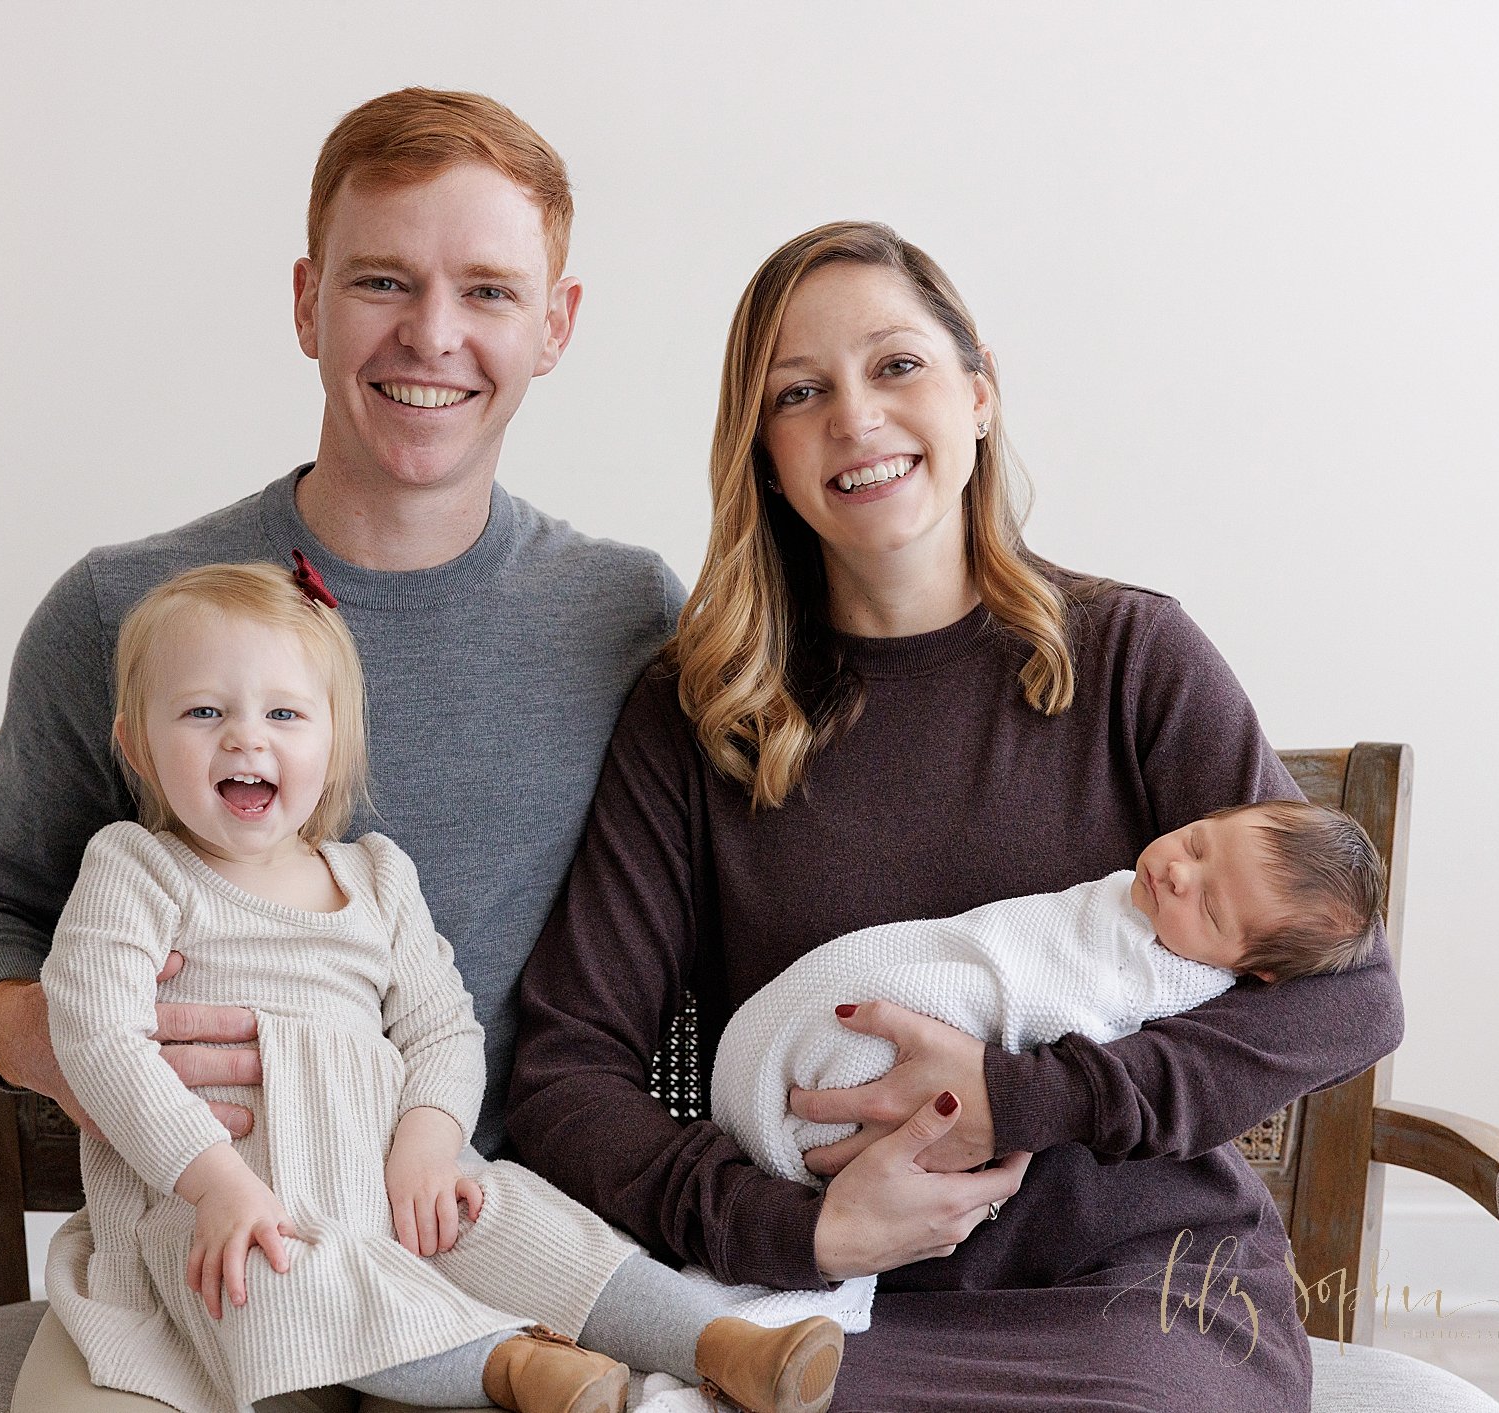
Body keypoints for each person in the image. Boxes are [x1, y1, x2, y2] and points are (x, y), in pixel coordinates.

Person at [508, 222, 1406, 1411]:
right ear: (763, 456)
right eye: (798, 391)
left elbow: (1350, 995)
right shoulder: (695, 720)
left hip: (1139, 1296)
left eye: (896, 366)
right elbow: (565, 1073)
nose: (855, 418)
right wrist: (794, 1228)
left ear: (977, 395)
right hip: (812, 1316)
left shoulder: (1133, 658)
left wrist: (1021, 1097)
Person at [0, 89, 683, 1410]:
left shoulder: (627, 618)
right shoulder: (124, 609)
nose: (431, 335)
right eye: (382, 279)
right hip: (198, 1261)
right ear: (306, 302)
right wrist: (85, 1048)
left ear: (554, 326)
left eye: (489, 291)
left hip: (472, 1248)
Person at [41, 562, 842, 1413]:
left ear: (334, 739)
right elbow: (98, 1036)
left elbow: (440, 1030)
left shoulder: (376, 877)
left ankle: (721, 1342)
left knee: (520, 1219)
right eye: (205, 711)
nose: (246, 738)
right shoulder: (138, 867)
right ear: (135, 744)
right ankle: (513, 1367)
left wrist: (426, 1141)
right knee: (270, 1281)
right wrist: (213, 1184)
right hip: (234, 1198)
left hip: (386, 1171)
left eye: (284, 713)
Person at [715, 799, 1386, 1191]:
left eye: (1208, 905)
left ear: (1250, 967)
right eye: (1198, 842)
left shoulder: (1167, 978)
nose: (1179, 871)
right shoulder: (1134, 897)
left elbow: (1064, 1016)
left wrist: (1013, 1093)